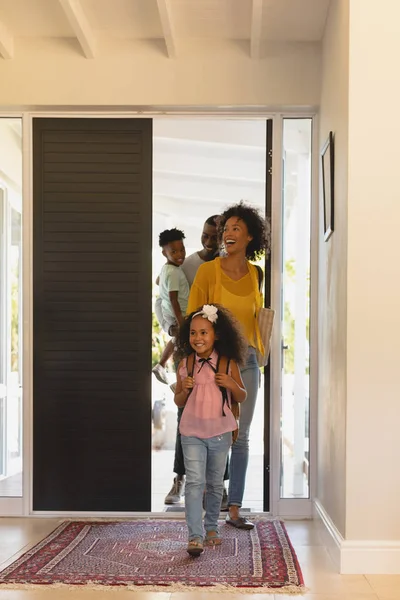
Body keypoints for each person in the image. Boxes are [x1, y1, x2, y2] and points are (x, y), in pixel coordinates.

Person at [187, 201, 270, 530]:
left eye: (237, 228)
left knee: (241, 436)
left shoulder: (255, 274)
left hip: (247, 361)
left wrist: (260, 352)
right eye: (227, 229)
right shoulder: (208, 271)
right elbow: (194, 319)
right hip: (214, 363)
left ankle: (233, 509)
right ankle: (210, 509)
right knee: (213, 434)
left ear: (250, 236)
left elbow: (254, 318)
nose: (229, 233)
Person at [174, 304, 247, 556]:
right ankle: (195, 536)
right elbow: (179, 401)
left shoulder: (227, 363)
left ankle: (211, 527)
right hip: (191, 432)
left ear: (216, 334)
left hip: (219, 432)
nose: (198, 338)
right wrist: (183, 388)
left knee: (215, 483)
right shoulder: (185, 364)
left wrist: (230, 384)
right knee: (195, 482)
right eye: (193, 333)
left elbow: (242, 395)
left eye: (204, 332)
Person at [152, 216, 219, 386]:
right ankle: (170, 374)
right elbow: (162, 294)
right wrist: (173, 327)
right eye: (205, 235)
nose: (209, 241)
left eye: (214, 236)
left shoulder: (226, 266)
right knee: (186, 397)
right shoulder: (186, 264)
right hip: (188, 335)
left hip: (214, 343)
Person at [151, 228, 189, 386]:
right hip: (177, 314)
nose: (180, 254)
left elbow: (158, 282)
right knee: (181, 344)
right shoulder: (173, 272)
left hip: (170, 312)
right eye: (174, 251)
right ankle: (165, 368)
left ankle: (162, 365)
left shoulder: (167, 269)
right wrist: (182, 322)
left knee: (176, 340)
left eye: (182, 249)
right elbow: (174, 299)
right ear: (164, 253)